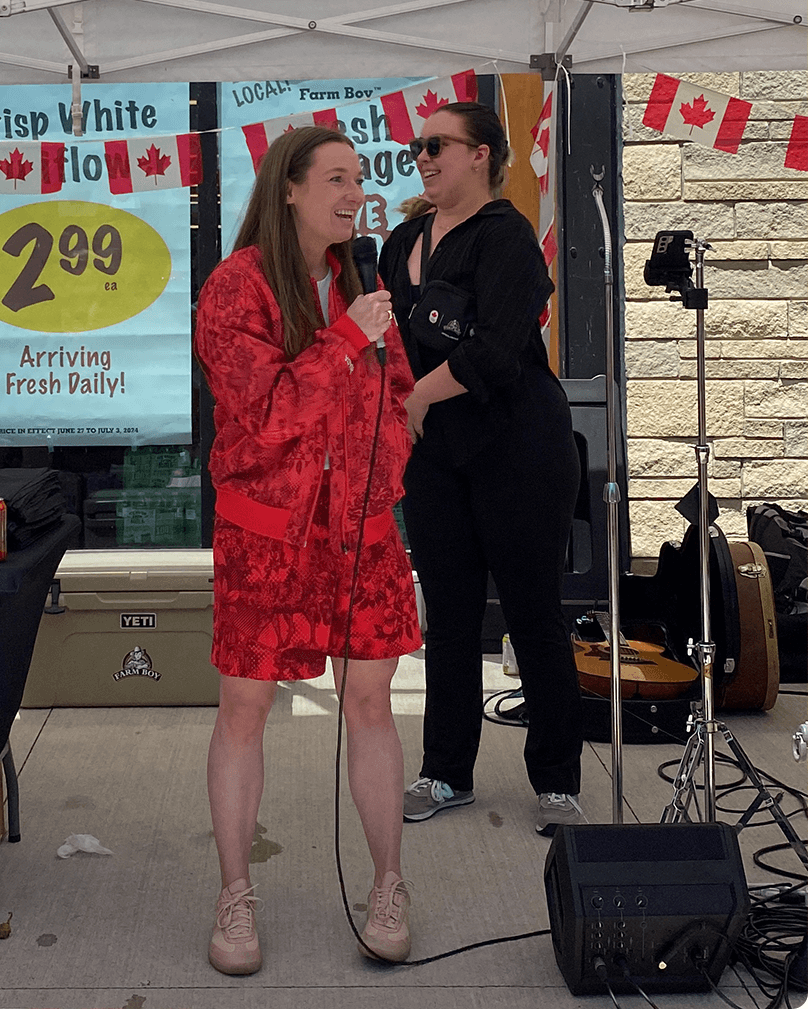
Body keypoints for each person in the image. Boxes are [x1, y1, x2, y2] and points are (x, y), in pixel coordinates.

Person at [195, 126, 422, 974]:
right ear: (287, 188)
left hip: (362, 534)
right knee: (244, 709)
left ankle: (388, 884)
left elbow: (398, 392)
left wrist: (383, 467)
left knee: (370, 703)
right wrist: (345, 339)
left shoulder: (360, 281)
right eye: (335, 179)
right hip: (267, 538)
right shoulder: (236, 287)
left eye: (358, 179)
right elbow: (266, 413)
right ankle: (234, 894)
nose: (354, 194)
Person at [377, 101, 586, 837]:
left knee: (533, 616)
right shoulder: (402, 239)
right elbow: (389, 343)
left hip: (518, 447)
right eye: (417, 145)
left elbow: (495, 352)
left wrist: (413, 399)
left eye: (438, 144)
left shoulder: (507, 236)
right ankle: (445, 771)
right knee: (450, 618)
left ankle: (557, 782)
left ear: (482, 154)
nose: (424, 157)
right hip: (436, 454)